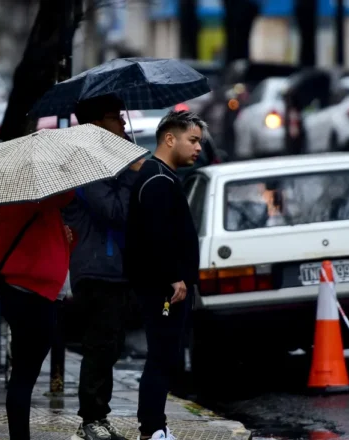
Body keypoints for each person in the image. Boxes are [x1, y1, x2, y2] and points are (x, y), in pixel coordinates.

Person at [123, 111, 206, 440]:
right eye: (193, 140)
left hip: (164, 286)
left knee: (165, 356)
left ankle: (155, 427)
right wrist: (174, 277)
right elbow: (157, 236)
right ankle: (152, 430)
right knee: (162, 357)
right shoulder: (157, 179)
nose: (198, 147)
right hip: (163, 290)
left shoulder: (160, 175)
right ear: (170, 139)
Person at [65, 95, 142, 440]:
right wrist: (131, 176)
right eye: (116, 119)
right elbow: (114, 211)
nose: (123, 125)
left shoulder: (108, 159)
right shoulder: (87, 163)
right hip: (97, 267)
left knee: (110, 344)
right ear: (97, 124)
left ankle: (99, 416)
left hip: (114, 266)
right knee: (100, 344)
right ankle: (90, 420)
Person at [0, 192, 75, 440]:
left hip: (14, 292)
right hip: (39, 296)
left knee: (21, 374)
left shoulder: (9, 201)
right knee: (25, 376)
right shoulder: (45, 200)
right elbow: (68, 196)